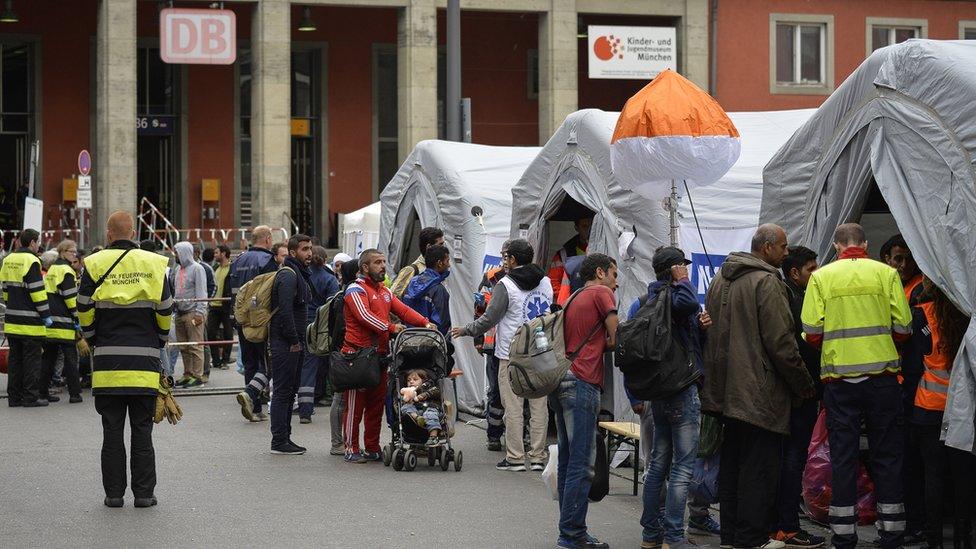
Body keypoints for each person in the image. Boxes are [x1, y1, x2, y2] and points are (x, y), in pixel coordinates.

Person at [702, 224, 815, 549]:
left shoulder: (721, 279)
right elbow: (782, 344)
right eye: (782, 247)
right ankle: (751, 539)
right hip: (758, 394)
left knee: (734, 466)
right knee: (759, 469)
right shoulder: (767, 282)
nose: (786, 252)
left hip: (725, 393)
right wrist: (803, 384)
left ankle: (732, 537)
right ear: (766, 248)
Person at [800, 223, 912, 549]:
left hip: (840, 383)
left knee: (843, 458)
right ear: (864, 243)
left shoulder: (821, 278)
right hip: (882, 379)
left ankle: (843, 534)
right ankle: (891, 533)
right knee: (887, 455)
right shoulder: (887, 274)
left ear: (836, 246)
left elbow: (811, 332)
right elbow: (904, 328)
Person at [77, 210, 172, 508]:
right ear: (132, 232)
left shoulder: (93, 264)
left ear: (108, 234)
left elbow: (83, 309)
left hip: (107, 364)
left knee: (112, 431)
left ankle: (114, 495)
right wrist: (157, 341)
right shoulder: (155, 264)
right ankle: (144, 495)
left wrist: (94, 340)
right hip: (144, 363)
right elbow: (166, 310)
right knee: (143, 432)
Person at [452, 239, 552, 472]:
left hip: (512, 352)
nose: (504, 261)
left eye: (506, 257)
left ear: (513, 259)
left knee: (514, 406)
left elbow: (490, 318)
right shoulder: (545, 281)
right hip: (540, 350)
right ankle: (538, 456)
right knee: (539, 406)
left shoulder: (505, 285)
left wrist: (467, 329)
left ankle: (516, 457)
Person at [634, 248, 708, 549]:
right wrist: (681, 281)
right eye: (683, 268)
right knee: (682, 467)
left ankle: (651, 535)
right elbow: (689, 301)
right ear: (675, 269)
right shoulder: (678, 298)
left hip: (658, 393)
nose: (687, 272)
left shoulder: (644, 301)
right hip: (681, 392)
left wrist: (700, 331)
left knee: (657, 465)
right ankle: (674, 538)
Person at [551, 253, 618, 549]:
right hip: (584, 382)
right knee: (582, 462)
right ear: (601, 272)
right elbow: (616, 338)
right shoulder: (602, 293)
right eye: (614, 275)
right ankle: (572, 534)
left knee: (567, 460)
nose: (616, 283)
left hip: (562, 379)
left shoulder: (574, 296)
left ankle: (568, 528)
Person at [341, 249, 432, 463]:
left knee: (376, 405)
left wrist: (425, 322)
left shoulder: (384, 291)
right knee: (355, 407)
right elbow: (364, 317)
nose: (383, 266)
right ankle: (350, 449)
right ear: (364, 267)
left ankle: (372, 448)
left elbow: (404, 311)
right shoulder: (355, 289)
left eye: (383, 262)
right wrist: (391, 327)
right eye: (377, 263)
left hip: (380, 356)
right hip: (358, 356)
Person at [909, 277, 974, 549]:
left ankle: (933, 538)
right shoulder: (968, 316)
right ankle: (963, 536)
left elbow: (912, 364)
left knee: (932, 475)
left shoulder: (922, 314)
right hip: (963, 408)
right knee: (964, 475)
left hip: (929, 407)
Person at [771, 246, 825, 548]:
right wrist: (807, 385)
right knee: (792, 460)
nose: (816, 274)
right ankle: (788, 527)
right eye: (811, 269)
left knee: (787, 459)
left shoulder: (790, 295)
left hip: (790, 393)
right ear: (794, 273)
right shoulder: (797, 301)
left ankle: (782, 524)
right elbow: (796, 349)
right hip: (798, 394)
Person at [882, 233, 927, 543]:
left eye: (907, 259)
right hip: (892, 381)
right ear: (887, 258)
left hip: (912, 383)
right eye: (897, 258)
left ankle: (915, 522)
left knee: (911, 458)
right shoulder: (886, 285)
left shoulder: (920, 290)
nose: (902, 265)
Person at [267, 234, 314, 455]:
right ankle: (279, 441)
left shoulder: (299, 274)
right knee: (283, 392)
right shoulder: (288, 275)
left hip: (293, 343)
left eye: (310, 248)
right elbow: (285, 312)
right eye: (305, 249)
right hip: (285, 343)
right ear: (293, 252)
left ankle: (285, 438)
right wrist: (294, 341)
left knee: (289, 391)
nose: (310, 253)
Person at [0, 228, 54, 407]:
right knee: (32, 360)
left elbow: (6, 289)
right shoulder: (32, 261)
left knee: (15, 361)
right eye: (38, 242)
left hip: (12, 319)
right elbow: (37, 291)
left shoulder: (8, 259)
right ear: (32, 242)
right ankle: (30, 397)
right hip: (30, 322)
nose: (38, 245)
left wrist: (12, 306)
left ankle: (14, 398)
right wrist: (46, 314)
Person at [233, 226, 279, 422]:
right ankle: (253, 397)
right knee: (267, 363)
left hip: (242, 319)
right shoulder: (267, 261)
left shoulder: (238, 260)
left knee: (250, 362)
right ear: (268, 239)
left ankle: (254, 406)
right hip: (261, 321)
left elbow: (233, 291)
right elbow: (271, 292)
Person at [298, 245, 341, 423]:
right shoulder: (329, 279)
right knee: (312, 364)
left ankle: (298, 404)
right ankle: (306, 410)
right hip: (318, 327)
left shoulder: (301, 274)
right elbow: (333, 307)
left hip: (299, 322)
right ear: (325, 260)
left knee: (300, 364)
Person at [42, 240, 83, 404]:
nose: (75, 254)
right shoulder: (67, 271)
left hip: (51, 321)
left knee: (48, 359)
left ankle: (42, 392)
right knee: (71, 359)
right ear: (63, 252)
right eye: (72, 251)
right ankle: (74, 394)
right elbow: (70, 298)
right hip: (64, 322)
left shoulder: (53, 269)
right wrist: (77, 318)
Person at [329, 259, 362, 456]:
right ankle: (337, 442)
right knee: (341, 398)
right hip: (346, 352)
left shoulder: (343, 294)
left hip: (344, 351)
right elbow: (342, 328)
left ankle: (343, 441)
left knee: (344, 398)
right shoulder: (348, 297)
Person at [476, 256, 509, 452]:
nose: (506, 261)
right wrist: (478, 339)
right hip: (493, 342)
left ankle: (522, 433)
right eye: (503, 256)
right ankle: (494, 434)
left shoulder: (527, 278)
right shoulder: (491, 277)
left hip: (515, 343)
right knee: (495, 390)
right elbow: (480, 308)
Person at [171, 241, 208, 387]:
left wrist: (200, 312)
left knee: (195, 346)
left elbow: (201, 291)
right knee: (184, 347)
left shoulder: (197, 269)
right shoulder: (177, 269)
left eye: (177, 252)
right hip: (179, 312)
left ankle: (197, 375)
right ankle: (187, 373)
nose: (175, 255)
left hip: (193, 313)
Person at [402, 244, 452, 337]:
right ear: (439, 263)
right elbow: (442, 323)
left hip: (407, 341)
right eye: (447, 261)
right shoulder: (438, 290)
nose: (449, 264)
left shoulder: (412, 282)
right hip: (429, 344)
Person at [549, 216, 592, 307]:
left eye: (591, 226)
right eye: (585, 226)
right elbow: (554, 282)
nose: (589, 230)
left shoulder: (604, 249)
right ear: (576, 228)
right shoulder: (563, 254)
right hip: (569, 304)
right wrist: (566, 301)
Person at [389, 227, 445, 297]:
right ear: (429, 247)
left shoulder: (440, 268)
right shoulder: (411, 270)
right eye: (440, 244)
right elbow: (393, 298)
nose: (444, 248)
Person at [399, 369, 444, 447]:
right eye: (408, 380)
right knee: (405, 408)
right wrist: (407, 400)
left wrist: (422, 395)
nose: (411, 382)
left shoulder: (430, 387)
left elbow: (436, 391)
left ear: (423, 381)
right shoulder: (407, 391)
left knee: (430, 414)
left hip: (430, 408)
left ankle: (433, 437)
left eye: (415, 379)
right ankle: (417, 418)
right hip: (416, 412)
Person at [207, 244, 234, 372]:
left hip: (226, 306)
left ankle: (225, 360)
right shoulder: (215, 267)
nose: (215, 255)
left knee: (228, 334)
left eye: (217, 252)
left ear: (223, 253)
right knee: (211, 333)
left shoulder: (232, 268)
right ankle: (216, 360)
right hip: (214, 306)